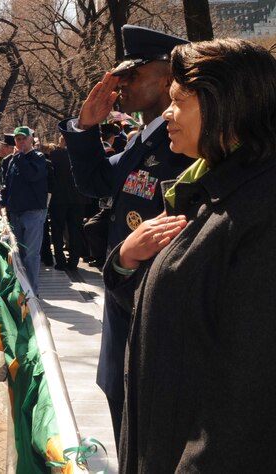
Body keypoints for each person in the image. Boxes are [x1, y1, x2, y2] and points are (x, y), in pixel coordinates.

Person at [104, 38, 276, 472]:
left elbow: (246, 397)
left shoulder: (259, 212)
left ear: (225, 106)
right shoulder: (202, 188)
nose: (166, 113)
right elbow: (175, 310)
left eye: (179, 100)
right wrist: (125, 261)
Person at [56, 25, 194, 444]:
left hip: (154, 314)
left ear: (168, 79)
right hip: (123, 302)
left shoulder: (181, 146)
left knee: (146, 429)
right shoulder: (144, 140)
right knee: (122, 409)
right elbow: (99, 181)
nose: (122, 84)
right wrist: (84, 128)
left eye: (134, 74)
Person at [0, 126, 48, 294]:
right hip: (15, 214)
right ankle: (19, 289)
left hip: (33, 213)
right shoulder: (12, 160)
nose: (20, 142)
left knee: (31, 255)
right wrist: (1, 202)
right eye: (18, 139)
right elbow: (7, 184)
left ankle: (32, 292)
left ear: (31, 140)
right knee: (17, 254)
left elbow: (32, 175)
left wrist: (18, 158)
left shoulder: (38, 158)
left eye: (23, 139)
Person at [48, 136, 86, 270]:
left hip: (58, 198)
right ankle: (74, 261)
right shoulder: (81, 156)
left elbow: (51, 175)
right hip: (78, 198)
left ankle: (60, 261)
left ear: (62, 142)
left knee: (57, 230)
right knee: (75, 230)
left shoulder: (55, 155)